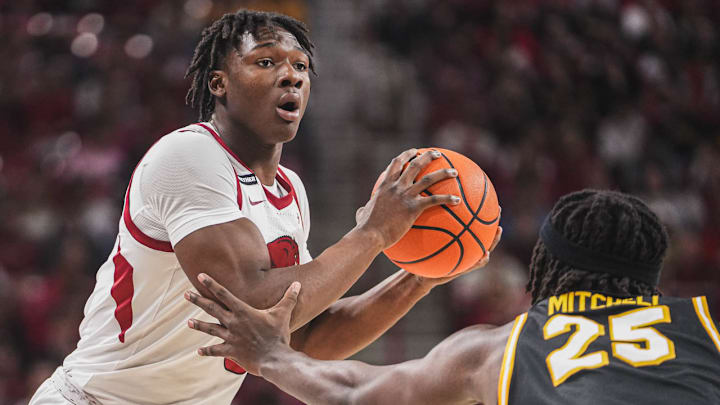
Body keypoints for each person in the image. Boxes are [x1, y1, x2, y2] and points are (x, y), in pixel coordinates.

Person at [29, 9, 499, 405]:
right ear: (219, 83)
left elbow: (305, 337)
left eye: (300, 66)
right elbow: (248, 301)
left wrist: (419, 277)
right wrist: (372, 233)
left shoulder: (291, 190)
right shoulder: (188, 156)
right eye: (266, 61)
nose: (291, 74)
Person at [186, 189, 720, 404]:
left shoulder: (499, 351)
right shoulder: (707, 326)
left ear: (545, 267)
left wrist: (272, 356)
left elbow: (352, 392)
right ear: (654, 278)